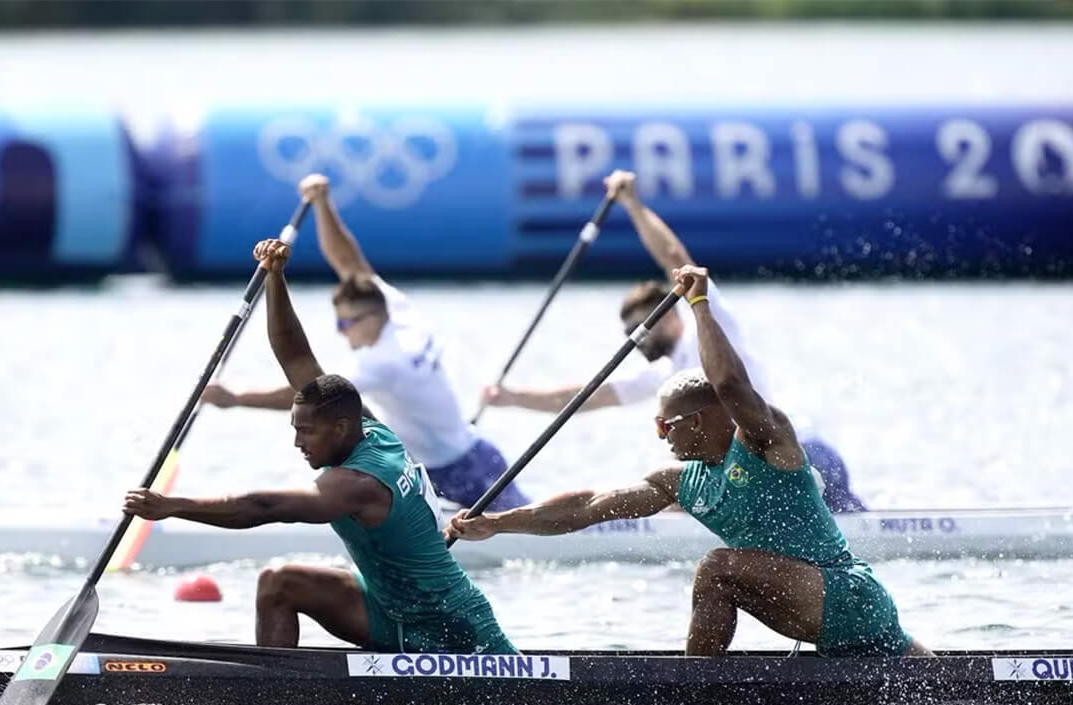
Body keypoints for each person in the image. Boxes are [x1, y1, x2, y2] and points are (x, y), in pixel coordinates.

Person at [449, 265, 930, 658]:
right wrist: (497, 523)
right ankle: (703, 682)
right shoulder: (682, 482)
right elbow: (588, 506)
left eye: (664, 425)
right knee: (930, 678)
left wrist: (699, 305)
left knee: (716, 568)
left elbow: (731, 387)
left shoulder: (766, 442)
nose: (659, 434)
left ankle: (696, 692)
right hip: (817, 608)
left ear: (698, 422)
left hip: (845, 594)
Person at [125, 238, 517, 655]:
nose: (297, 442)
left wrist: (172, 506)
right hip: (390, 606)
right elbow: (296, 357)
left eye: (307, 432)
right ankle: (276, 695)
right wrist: (275, 279)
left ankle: (282, 689)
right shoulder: (372, 429)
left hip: (450, 629)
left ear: (340, 428)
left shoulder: (359, 483)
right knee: (278, 582)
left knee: (279, 578)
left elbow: (263, 508)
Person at [482, 170, 865, 514]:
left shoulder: (711, 319)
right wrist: (512, 397)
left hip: (803, 457)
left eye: (641, 326)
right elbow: (587, 396)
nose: (635, 339)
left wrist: (632, 204)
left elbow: (673, 255)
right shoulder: (666, 376)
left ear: (667, 315)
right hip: (764, 471)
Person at [202, 174, 528, 512]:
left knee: (532, 534)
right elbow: (347, 260)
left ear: (370, 318)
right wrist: (322, 203)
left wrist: (236, 398)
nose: (343, 332)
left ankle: (587, 531)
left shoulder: (383, 362)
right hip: (461, 457)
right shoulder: (396, 307)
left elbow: (312, 393)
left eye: (347, 323)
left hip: (457, 473)